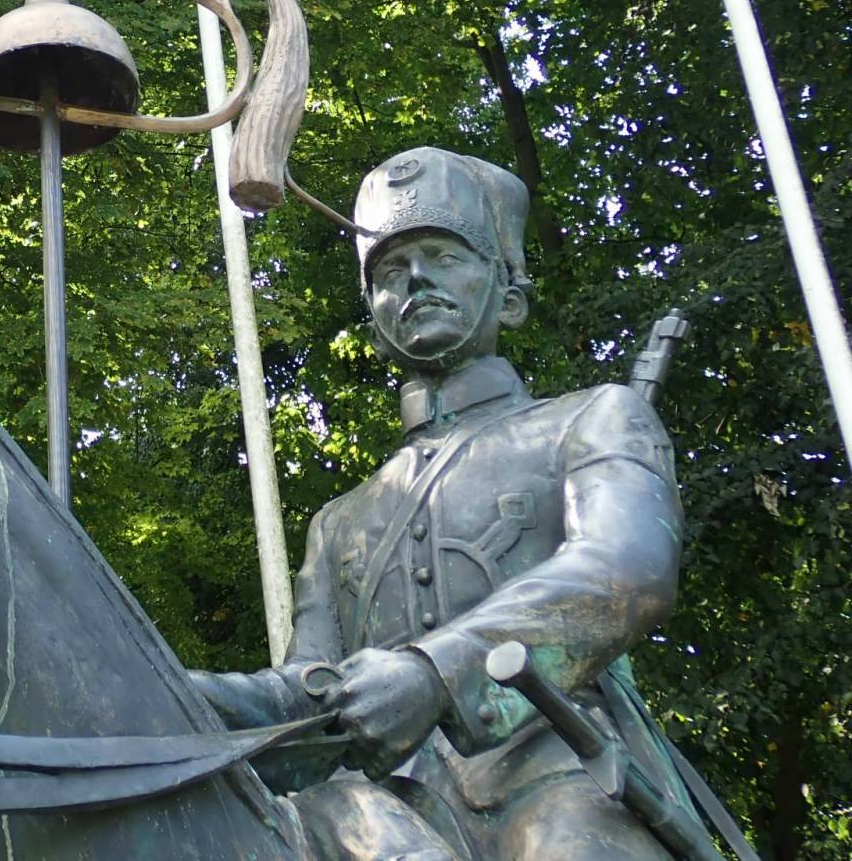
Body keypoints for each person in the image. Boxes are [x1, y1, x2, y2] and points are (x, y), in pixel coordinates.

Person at [193, 147, 689, 860]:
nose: (416, 278)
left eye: (444, 256)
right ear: (375, 322)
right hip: (379, 813)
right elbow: (313, 689)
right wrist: (179, 697)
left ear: (509, 294)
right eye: (390, 271)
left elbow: (625, 567)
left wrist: (434, 674)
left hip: (565, 775)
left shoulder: (593, 418)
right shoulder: (338, 522)